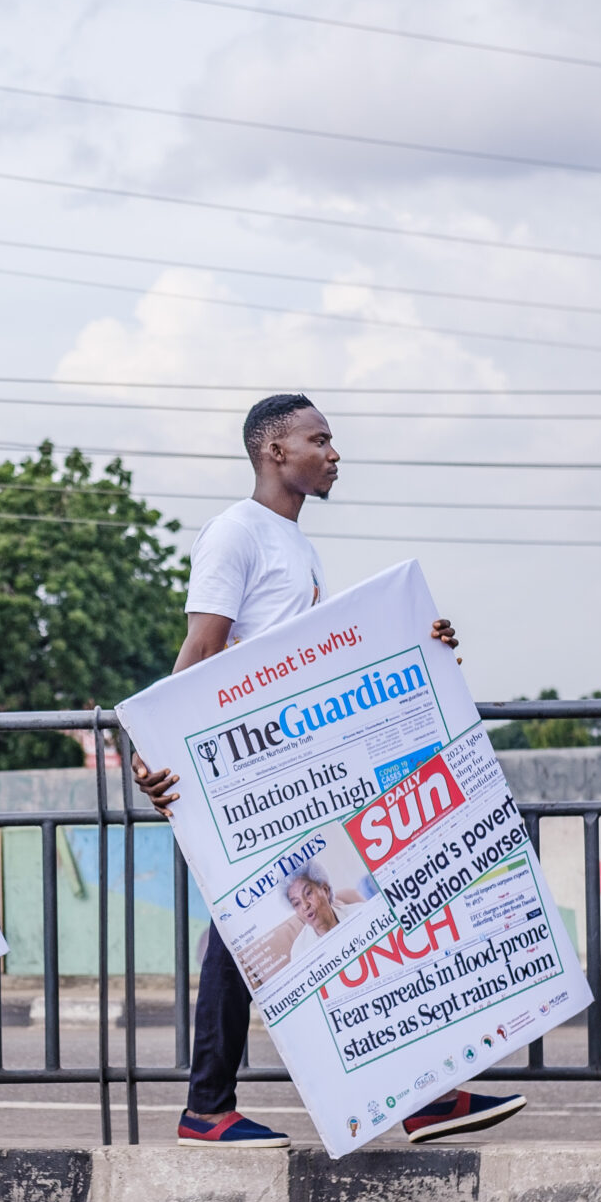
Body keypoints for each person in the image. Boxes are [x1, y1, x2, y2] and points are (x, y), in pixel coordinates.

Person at [133, 395, 529, 1148]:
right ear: (274, 451)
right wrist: (155, 760)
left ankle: (405, 1094)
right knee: (264, 928)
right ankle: (218, 1107)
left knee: (317, 917)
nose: (334, 452)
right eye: (320, 439)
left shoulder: (294, 544)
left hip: (299, 769)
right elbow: (200, 657)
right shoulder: (237, 532)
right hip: (254, 779)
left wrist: (422, 642)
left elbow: (317, 658)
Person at [286, 866, 342, 939]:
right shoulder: (301, 949)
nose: (305, 906)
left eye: (308, 893)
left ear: (325, 890)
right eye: (296, 903)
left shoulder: (357, 909)